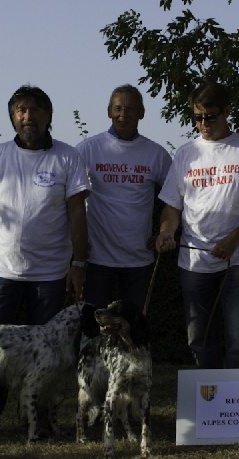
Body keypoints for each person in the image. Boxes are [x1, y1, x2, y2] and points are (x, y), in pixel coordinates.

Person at [0, 84, 91, 436]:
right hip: (1, 272)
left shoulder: (67, 157)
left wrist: (78, 265)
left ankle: (40, 422)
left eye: (36, 110)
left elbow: (77, 215)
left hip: (51, 275)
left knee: (49, 360)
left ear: (49, 117)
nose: (28, 116)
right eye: (21, 110)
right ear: (12, 117)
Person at [155, 82, 239, 369]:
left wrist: (233, 240)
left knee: (238, 335)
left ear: (227, 112)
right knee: (199, 335)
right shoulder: (186, 153)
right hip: (194, 261)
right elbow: (172, 205)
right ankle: (210, 401)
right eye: (198, 117)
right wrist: (166, 232)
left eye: (211, 116)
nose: (204, 123)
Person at [75, 84, 172, 314]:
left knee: (134, 330)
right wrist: (75, 242)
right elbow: (68, 198)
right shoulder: (88, 149)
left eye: (130, 109)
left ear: (142, 113)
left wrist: (163, 232)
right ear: (109, 111)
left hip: (139, 259)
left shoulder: (156, 154)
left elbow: (175, 198)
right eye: (118, 108)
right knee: (93, 330)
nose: (123, 114)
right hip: (97, 257)